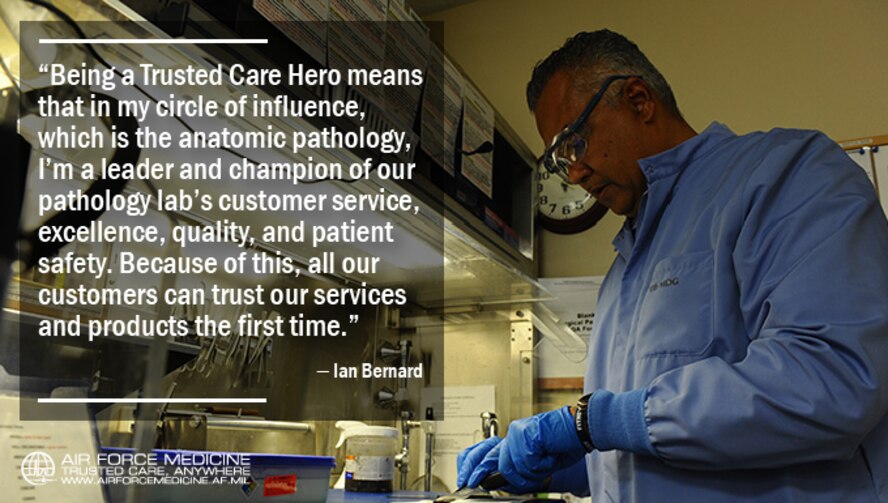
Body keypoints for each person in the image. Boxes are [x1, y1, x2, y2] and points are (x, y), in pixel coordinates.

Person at [457, 29, 888, 502]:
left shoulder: (787, 174)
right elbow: (650, 446)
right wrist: (557, 471)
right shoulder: (624, 273)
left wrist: (588, 422)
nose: (575, 174)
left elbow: (832, 380)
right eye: (560, 162)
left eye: (573, 145)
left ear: (638, 100)